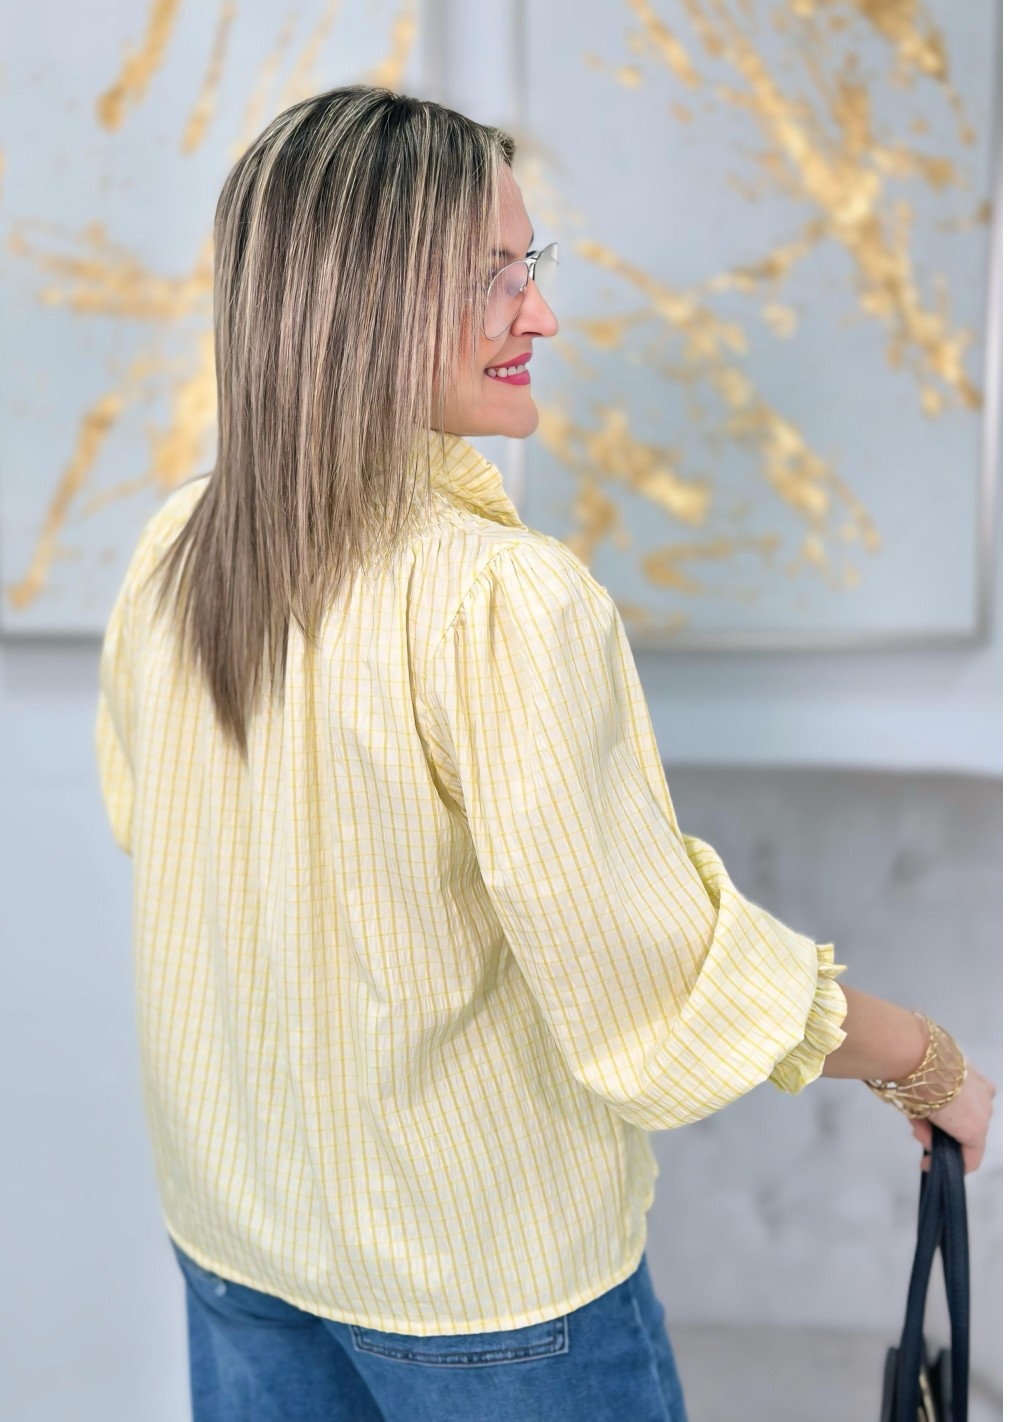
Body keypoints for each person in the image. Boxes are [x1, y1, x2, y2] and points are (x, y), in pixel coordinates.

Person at [95, 85, 996, 1422]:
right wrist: (919, 1056)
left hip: (239, 1244)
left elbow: (151, 830)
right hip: (484, 1296)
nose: (541, 314)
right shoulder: (501, 602)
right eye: (492, 276)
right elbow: (646, 977)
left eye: (531, 265)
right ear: (361, 302)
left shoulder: (176, 549)